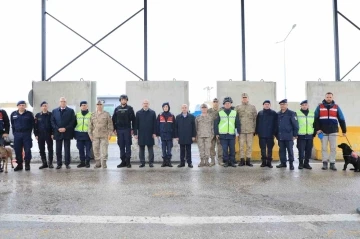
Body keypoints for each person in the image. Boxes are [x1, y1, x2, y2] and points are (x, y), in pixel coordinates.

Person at [314, 92, 346, 171]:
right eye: (327, 97)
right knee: (324, 148)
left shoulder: (336, 107)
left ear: (332, 98)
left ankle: (332, 163)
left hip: (333, 131)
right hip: (322, 131)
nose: (329, 98)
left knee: (333, 148)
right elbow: (315, 119)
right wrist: (317, 129)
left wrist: (344, 130)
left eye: (330, 97)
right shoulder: (319, 107)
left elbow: (341, 119)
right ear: (325, 98)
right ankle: (325, 163)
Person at [214, 97, 240, 167]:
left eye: (229, 103)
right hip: (223, 135)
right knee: (224, 149)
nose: (227, 104)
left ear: (231, 104)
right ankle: (226, 162)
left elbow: (237, 123)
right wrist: (216, 133)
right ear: (224, 104)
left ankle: (232, 161)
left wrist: (238, 133)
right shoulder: (220, 113)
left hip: (232, 134)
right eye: (226, 103)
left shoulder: (234, 113)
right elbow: (216, 123)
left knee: (232, 149)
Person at [51, 97, 76, 169]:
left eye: (64, 101)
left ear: (66, 102)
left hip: (67, 132)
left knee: (67, 149)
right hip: (57, 132)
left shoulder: (71, 111)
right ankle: (59, 164)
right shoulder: (55, 111)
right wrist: (57, 128)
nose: (63, 103)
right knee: (58, 149)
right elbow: (52, 121)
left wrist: (66, 128)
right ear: (59, 102)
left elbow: (73, 121)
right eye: (61, 101)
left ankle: (67, 163)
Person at [10, 101, 35, 171]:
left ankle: (27, 164)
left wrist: (29, 132)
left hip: (26, 134)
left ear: (25, 106)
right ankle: (19, 165)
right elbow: (13, 124)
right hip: (17, 134)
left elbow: (32, 124)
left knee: (27, 150)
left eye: (23, 105)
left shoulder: (29, 114)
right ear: (17, 106)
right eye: (20, 105)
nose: (21, 106)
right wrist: (15, 133)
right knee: (17, 150)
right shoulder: (13, 114)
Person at [88, 100, 114, 168]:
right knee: (95, 150)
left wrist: (110, 134)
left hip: (104, 135)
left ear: (102, 106)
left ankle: (104, 163)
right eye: (98, 105)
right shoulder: (93, 115)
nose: (99, 106)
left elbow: (110, 125)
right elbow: (90, 126)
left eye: (100, 105)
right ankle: (98, 163)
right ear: (96, 106)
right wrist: (90, 135)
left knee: (104, 150)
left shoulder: (106, 114)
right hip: (95, 136)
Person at [112, 94, 136, 168]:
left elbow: (134, 120)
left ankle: (128, 162)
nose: (123, 100)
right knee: (121, 146)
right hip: (119, 130)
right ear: (120, 100)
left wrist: (133, 130)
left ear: (127, 100)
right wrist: (114, 129)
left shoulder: (130, 109)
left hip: (127, 130)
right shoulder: (117, 109)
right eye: (122, 99)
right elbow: (113, 120)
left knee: (128, 146)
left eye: (125, 99)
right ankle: (123, 161)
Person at [275, 99, 299, 170]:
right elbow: (276, 125)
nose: (282, 106)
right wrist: (276, 135)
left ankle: (291, 164)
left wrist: (294, 135)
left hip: (289, 136)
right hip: (280, 136)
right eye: (281, 104)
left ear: (287, 105)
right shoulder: (278, 114)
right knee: (281, 150)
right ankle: (283, 163)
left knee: (290, 150)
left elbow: (296, 125)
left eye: (284, 104)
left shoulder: (292, 113)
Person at [236, 93, 257, 167]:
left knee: (249, 146)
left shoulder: (252, 107)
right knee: (241, 146)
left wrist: (254, 129)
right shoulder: (238, 108)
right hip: (241, 131)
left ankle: (248, 160)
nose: (244, 99)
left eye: (245, 98)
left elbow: (255, 119)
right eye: (243, 98)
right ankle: (242, 160)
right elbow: (236, 119)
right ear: (241, 99)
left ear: (248, 98)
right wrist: (237, 130)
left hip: (250, 130)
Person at [134, 99, 157, 168]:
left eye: (147, 103)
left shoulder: (152, 113)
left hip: (150, 134)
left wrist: (154, 133)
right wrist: (135, 133)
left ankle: (151, 163)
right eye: (144, 103)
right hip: (141, 134)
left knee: (150, 149)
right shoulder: (138, 113)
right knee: (141, 149)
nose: (145, 104)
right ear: (142, 104)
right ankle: (142, 163)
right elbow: (136, 124)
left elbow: (154, 124)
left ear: (148, 104)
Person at [255, 100, 277, 168]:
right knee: (263, 149)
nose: (266, 105)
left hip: (270, 134)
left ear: (270, 105)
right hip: (262, 134)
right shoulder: (260, 113)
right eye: (265, 104)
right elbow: (257, 123)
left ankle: (269, 162)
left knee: (270, 149)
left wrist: (274, 132)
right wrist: (257, 131)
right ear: (263, 105)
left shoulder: (273, 113)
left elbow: (276, 124)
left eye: (268, 104)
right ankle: (264, 162)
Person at [175, 104, 196, 168]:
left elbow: (193, 127)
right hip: (181, 136)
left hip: (189, 136)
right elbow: (176, 127)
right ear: (181, 109)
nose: (184, 109)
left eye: (185, 107)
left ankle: (189, 163)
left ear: (187, 108)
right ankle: (182, 163)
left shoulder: (192, 117)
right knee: (182, 150)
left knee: (188, 150)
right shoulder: (178, 117)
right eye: (183, 108)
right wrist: (177, 136)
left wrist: (193, 136)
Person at [34, 101, 54, 169]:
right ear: (41, 107)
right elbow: (35, 126)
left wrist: (52, 133)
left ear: (47, 107)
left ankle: (50, 163)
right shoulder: (37, 115)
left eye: (46, 106)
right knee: (41, 149)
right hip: (40, 134)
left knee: (50, 149)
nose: (44, 107)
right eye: (43, 106)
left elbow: (53, 125)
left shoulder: (51, 114)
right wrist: (36, 134)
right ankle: (44, 163)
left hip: (49, 134)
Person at [296, 100, 315, 170]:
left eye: (305, 105)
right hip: (301, 135)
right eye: (303, 105)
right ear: (301, 106)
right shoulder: (297, 113)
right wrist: (295, 134)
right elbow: (295, 124)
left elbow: (315, 123)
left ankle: (306, 164)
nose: (304, 106)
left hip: (310, 135)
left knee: (308, 150)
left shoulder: (312, 113)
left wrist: (314, 133)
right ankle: (300, 164)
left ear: (308, 105)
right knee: (301, 150)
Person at [156, 102, 176, 167]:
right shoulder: (160, 115)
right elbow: (157, 125)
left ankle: (169, 162)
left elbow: (174, 126)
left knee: (169, 150)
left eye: (166, 107)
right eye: (164, 107)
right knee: (163, 149)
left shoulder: (172, 115)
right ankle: (164, 162)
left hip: (170, 136)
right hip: (162, 135)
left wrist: (174, 135)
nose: (165, 108)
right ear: (162, 108)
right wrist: (157, 134)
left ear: (168, 107)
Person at [74, 101, 92, 168]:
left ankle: (87, 162)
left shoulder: (91, 114)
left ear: (87, 106)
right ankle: (82, 162)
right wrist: (74, 134)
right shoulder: (77, 115)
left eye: (85, 105)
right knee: (80, 149)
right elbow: (74, 124)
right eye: (82, 105)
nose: (83, 106)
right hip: (79, 135)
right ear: (80, 106)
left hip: (88, 135)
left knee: (88, 149)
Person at [207, 98, 223, 166]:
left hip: (220, 131)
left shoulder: (222, 111)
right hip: (211, 131)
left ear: (218, 103)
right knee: (211, 147)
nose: (215, 103)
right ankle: (212, 161)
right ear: (212, 103)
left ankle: (220, 160)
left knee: (220, 147)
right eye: (214, 102)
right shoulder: (209, 111)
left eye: (217, 102)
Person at [0, 107, 10, 173]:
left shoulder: (2, 112)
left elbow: (7, 122)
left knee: (1, 151)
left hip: (0, 134)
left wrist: (6, 132)